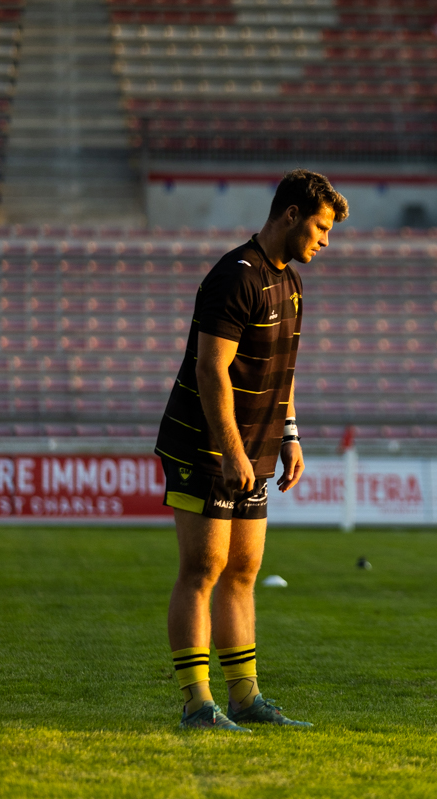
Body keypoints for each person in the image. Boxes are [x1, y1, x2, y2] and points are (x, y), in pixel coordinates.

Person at [155, 169, 349, 731]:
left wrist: (288, 435)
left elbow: (282, 373)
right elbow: (211, 367)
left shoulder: (291, 284)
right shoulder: (235, 276)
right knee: (203, 568)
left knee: (243, 569)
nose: (325, 240)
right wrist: (231, 449)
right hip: (206, 444)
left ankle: (245, 698)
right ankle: (198, 705)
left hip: (256, 447)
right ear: (290, 214)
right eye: (320, 226)